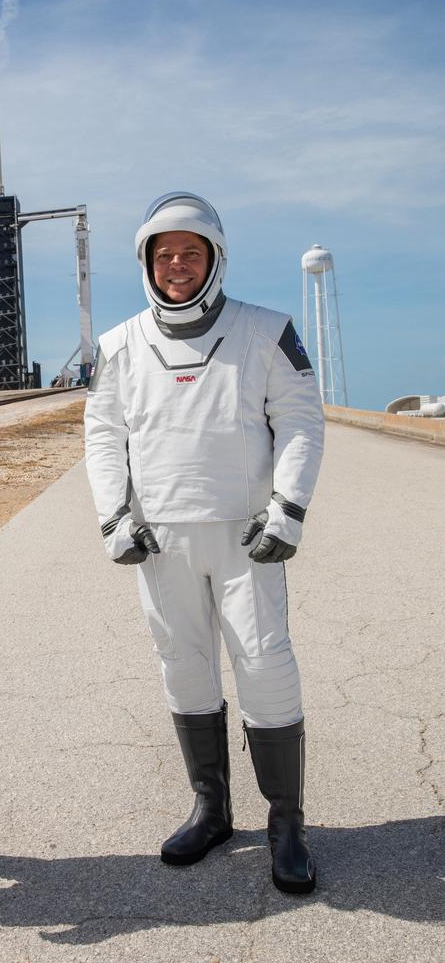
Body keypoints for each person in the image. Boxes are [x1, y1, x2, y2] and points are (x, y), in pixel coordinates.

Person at [84, 193, 324, 894]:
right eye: (164, 255)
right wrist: (113, 518)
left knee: (265, 667)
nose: (177, 265)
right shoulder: (118, 345)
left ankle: (286, 825)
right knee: (183, 667)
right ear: (146, 266)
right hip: (160, 540)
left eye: (190, 252)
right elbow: (102, 437)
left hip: (247, 537)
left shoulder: (264, 330)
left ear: (214, 259)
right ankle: (211, 810)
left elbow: (302, 420)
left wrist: (288, 510)